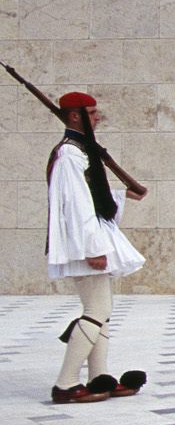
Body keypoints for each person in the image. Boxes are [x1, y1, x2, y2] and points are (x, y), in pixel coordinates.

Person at [46, 91, 146, 404]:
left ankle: (98, 377)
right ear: (74, 116)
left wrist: (118, 195)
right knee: (97, 311)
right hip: (83, 244)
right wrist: (93, 248)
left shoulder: (79, 151)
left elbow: (89, 196)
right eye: (90, 113)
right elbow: (75, 207)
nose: (97, 117)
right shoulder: (69, 155)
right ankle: (65, 384)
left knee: (102, 312)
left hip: (90, 239)